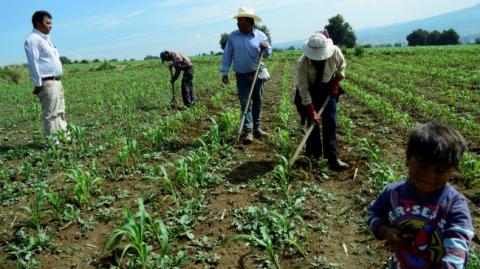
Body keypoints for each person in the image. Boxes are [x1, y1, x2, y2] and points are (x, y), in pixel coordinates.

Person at [367, 121, 474, 268]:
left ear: (453, 169)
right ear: (407, 158)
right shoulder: (393, 193)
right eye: (422, 166)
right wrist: (384, 230)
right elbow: (374, 214)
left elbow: (458, 246)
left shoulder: (454, 205)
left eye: (441, 170)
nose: (429, 177)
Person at [295, 30, 348, 170]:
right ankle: (313, 158)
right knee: (312, 124)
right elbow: (303, 90)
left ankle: (333, 159)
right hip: (311, 91)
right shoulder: (302, 63)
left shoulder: (334, 51)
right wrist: (312, 111)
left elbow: (342, 65)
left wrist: (336, 83)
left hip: (328, 88)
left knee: (330, 121)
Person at [220, 7, 272, 144]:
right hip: (241, 75)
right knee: (245, 102)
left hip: (256, 73)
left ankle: (257, 128)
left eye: (241, 20)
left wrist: (264, 48)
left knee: (257, 101)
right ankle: (248, 131)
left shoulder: (261, 36)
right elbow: (227, 55)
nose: (238, 23)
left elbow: (267, 53)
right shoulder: (233, 37)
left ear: (249, 22)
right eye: (238, 20)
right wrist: (225, 72)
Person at [24, 10, 68, 144]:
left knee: (60, 111)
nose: (50, 26)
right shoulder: (32, 40)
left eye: (51, 23)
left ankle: (64, 138)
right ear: (38, 23)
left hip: (56, 81)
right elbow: (33, 63)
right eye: (47, 23)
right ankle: (54, 144)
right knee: (51, 114)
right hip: (47, 82)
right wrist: (38, 83)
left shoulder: (45, 40)